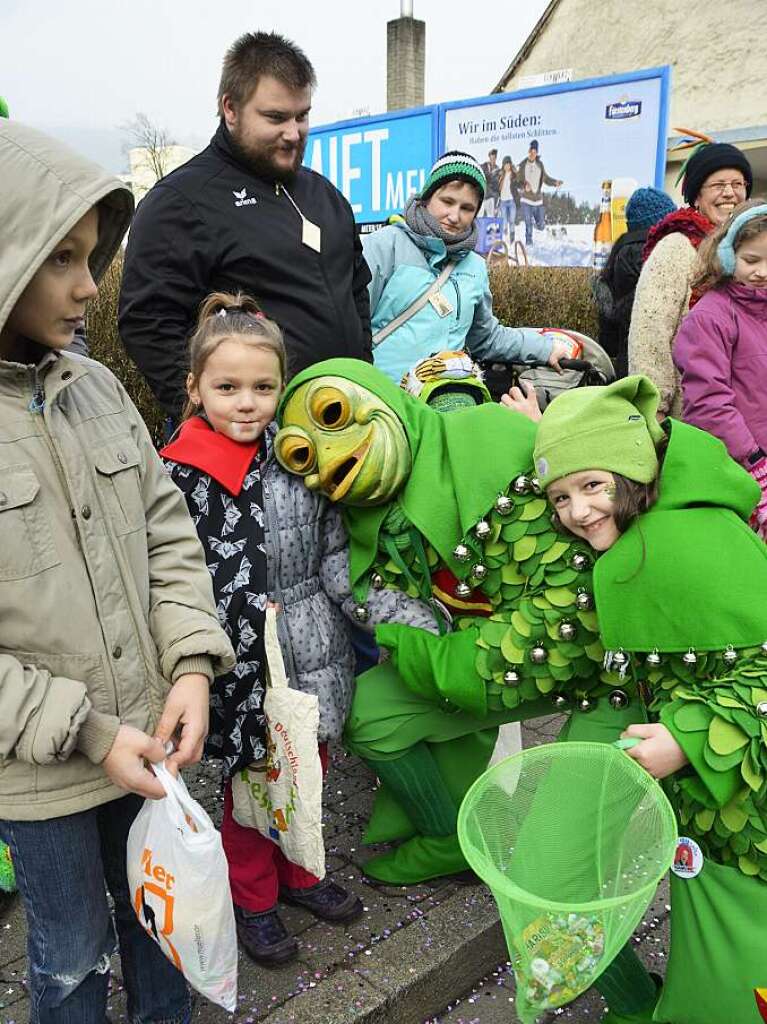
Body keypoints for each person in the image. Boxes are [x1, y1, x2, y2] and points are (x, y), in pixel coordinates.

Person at [0, 119, 235, 1022]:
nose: (90, 285)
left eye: (91, 255)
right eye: (60, 257)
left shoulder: (97, 389)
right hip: (42, 771)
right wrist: (89, 731)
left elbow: (167, 534)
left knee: (158, 925)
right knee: (69, 959)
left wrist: (188, 665)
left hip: (150, 739)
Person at [160, 294, 440, 966]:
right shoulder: (174, 475)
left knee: (305, 776)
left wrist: (400, 616)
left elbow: (337, 559)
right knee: (250, 791)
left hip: (313, 650)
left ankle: (302, 874)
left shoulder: (300, 458)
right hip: (236, 665)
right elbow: (166, 581)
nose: (247, 403)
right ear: (195, 388)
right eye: (227, 387)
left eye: (263, 387)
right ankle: (253, 899)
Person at [532, 374, 767, 1024]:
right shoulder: (648, 539)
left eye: (592, 486)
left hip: (746, 819)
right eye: (559, 496)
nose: (576, 511)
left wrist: (687, 736)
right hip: (713, 814)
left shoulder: (681, 552)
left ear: (634, 475)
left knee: (740, 958)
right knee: (709, 932)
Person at [119, 31, 371, 422]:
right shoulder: (180, 202)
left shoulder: (325, 195)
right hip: (248, 451)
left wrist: (364, 377)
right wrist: (216, 419)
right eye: (275, 117)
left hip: (342, 430)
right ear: (231, 109)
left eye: (302, 115)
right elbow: (148, 325)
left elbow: (357, 292)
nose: (293, 132)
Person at [362, 151, 572, 384]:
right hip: (383, 402)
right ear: (427, 196)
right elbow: (349, 327)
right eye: (447, 202)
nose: (455, 216)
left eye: (467, 208)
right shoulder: (384, 245)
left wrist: (545, 349)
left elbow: (487, 338)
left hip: (444, 402)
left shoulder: (474, 267)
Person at [628, 139, 753, 416]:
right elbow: (650, 333)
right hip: (689, 415)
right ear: (696, 195)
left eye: (738, 184)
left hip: (746, 413)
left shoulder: (751, 249)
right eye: (718, 185)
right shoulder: (676, 247)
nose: (729, 193)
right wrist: (655, 408)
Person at [673, 200, 767, 538]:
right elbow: (708, 401)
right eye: (751, 260)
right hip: (738, 470)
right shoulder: (711, 317)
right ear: (727, 257)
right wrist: (754, 460)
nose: (762, 271)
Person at [592, 186, 676, 378]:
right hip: (656, 369)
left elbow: (609, 342)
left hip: (627, 366)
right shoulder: (659, 257)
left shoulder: (618, 257)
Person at [515, 139, 563, 247]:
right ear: (528, 151)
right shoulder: (522, 166)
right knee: (528, 223)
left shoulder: (540, 165)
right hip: (526, 199)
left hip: (537, 200)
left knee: (541, 225)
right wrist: (523, 186)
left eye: (534, 152)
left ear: (537, 153)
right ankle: (529, 244)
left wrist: (555, 182)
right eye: (531, 151)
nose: (532, 154)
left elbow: (546, 179)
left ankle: (540, 228)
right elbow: (517, 183)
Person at [498, 155, 517, 244]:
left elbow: (519, 183)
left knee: (512, 221)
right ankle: (505, 238)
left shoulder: (514, 175)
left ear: (510, 165)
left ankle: (512, 239)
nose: (507, 166)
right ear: (503, 165)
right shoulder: (501, 175)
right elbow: (498, 188)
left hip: (511, 200)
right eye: (505, 164)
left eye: (508, 164)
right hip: (503, 201)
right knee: (504, 221)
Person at [480, 148, 500, 217]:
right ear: (489, 157)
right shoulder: (483, 166)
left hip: (491, 197)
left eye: (494, 158)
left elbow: (497, 185)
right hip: (482, 196)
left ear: (496, 158)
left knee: (490, 216)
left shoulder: (498, 169)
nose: (492, 160)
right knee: (480, 216)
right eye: (491, 158)